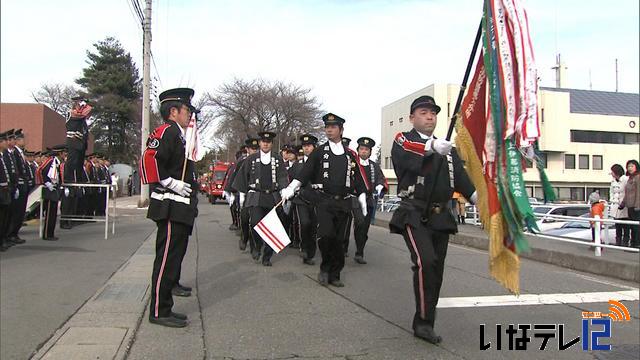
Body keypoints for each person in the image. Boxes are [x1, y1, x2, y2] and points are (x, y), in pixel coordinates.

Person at [389, 95, 476, 344]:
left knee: (436, 270)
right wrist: (431, 148)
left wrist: (481, 199)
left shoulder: (447, 149)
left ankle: (427, 317)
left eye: (433, 113)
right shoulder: (405, 140)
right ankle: (423, 323)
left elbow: (462, 180)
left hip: (440, 216)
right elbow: (406, 152)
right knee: (425, 262)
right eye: (424, 112)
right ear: (412, 117)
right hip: (414, 213)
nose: (430, 117)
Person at [281, 113, 368, 287]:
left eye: (333, 127)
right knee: (326, 235)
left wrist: (362, 196)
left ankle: (335, 273)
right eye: (327, 127)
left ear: (341, 130)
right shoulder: (320, 152)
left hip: (344, 202)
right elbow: (305, 172)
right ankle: (325, 268)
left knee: (339, 240)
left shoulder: (350, 154)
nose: (329, 130)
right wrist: (291, 188)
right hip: (324, 201)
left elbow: (359, 178)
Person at [140, 87, 199, 328]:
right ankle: (159, 310)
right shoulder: (165, 131)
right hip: (169, 205)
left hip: (180, 206)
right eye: (187, 110)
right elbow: (149, 158)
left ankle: (166, 301)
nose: (190, 115)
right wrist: (168, 181)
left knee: (174, 256)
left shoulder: (179, 134)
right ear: (173, 111)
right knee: (165, 259)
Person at [232, 131, 289, 266]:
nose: (265, 144)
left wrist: (284, 189)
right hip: (256, 196)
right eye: (263, 142)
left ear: (271, 144)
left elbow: (282, 176)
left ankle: (267, 257)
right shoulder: (251, 159)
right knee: (255, 223)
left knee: (272, 226)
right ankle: (256, 246)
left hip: (273, 196)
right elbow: (242, 177)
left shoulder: (277, 159)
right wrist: (242, 194)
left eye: (268, 142)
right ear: (259, 143)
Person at [350, 137, 387, 264]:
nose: (364, 151)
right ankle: (356, 251)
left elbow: (381, 178)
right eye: (362, 149)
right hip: (355, 199)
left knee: (365, 228)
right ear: (358, 150)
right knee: (359, 222)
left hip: (369, 200)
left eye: (366, 149)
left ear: (370, 152)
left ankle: (360, 251)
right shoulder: (353, 164)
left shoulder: (374, 166)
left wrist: (380, 185)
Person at [290, 134, 319, 265]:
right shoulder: (297, 165)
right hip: (301, 199)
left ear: (314, 147)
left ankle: (311, 252)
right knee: (305, 223)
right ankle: (305, 247)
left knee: (314, 227)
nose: (307, 148)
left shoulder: (320, 164)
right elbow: (288, 179)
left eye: (309, 146)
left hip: (316, 199)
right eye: (305, 146)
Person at [38, 146, 66, 240]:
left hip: (55, 189)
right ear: (59, 153)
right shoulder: (51, 161)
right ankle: (46, 234)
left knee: (53, 213)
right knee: (50, 213)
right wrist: (46, 182)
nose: (65, 154)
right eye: (63, 152)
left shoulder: (59, 162)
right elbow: (40, 170)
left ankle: (50, 233)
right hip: (50, 190)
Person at [609, 164, 630, 246]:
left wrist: (623, 201)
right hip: (615, 205)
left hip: (624, 205)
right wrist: (612, 200)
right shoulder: (613, 181)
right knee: (618, 225)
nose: (611, 173)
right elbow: (611, 191)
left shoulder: (626, 179)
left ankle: (625, 242)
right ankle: (618, 242)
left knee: (626, 225)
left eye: (612, 171)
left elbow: (628, 192)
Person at [0, 131, 13, 251]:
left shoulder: (2, 156)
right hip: (1, 190)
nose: (7, 142)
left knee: (4, 217)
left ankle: (3, 239)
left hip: (5, 190)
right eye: (5, 140)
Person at [622, 160, 640, 248]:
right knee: (632, 226)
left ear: (636, 167)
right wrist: (623, 203)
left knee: (636, 226)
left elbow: (638, 192)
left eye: (632, 166)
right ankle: (633, 243)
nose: (630, 168)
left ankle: (636, 244)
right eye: (628, 166)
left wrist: (637, 205)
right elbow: (627, 193)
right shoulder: (629, 179)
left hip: (636, 206)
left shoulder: (638, 177)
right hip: (630, 206)